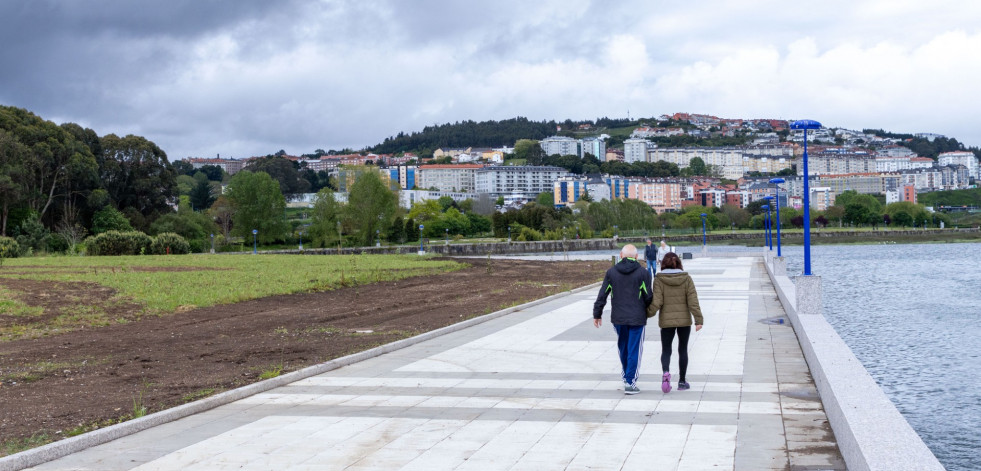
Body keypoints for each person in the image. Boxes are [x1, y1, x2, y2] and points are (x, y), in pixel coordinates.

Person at [593, 244, 653, 395]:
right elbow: (648, 296)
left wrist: (597, 313)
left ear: (621, 255)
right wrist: (646, 309)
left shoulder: (611, 272)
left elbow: (603, 294)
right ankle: (630, 382)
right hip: (637, 318)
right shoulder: (643, 273)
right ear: (637, 257)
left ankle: (627, 376)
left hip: (618, 318)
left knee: (623, 347)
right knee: (634, 349)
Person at [647, 252, 703, 393]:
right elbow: (693, 301)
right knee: (682, 349)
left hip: (666, 321)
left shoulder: (659, 280)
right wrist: (698, 319)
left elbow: (657, 301)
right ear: (679, 263)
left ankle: (666, 372)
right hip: (684, 321)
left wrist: (647, 314)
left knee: (666, 350)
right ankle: (682, 382)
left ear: (663, 264)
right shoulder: (687, 279)